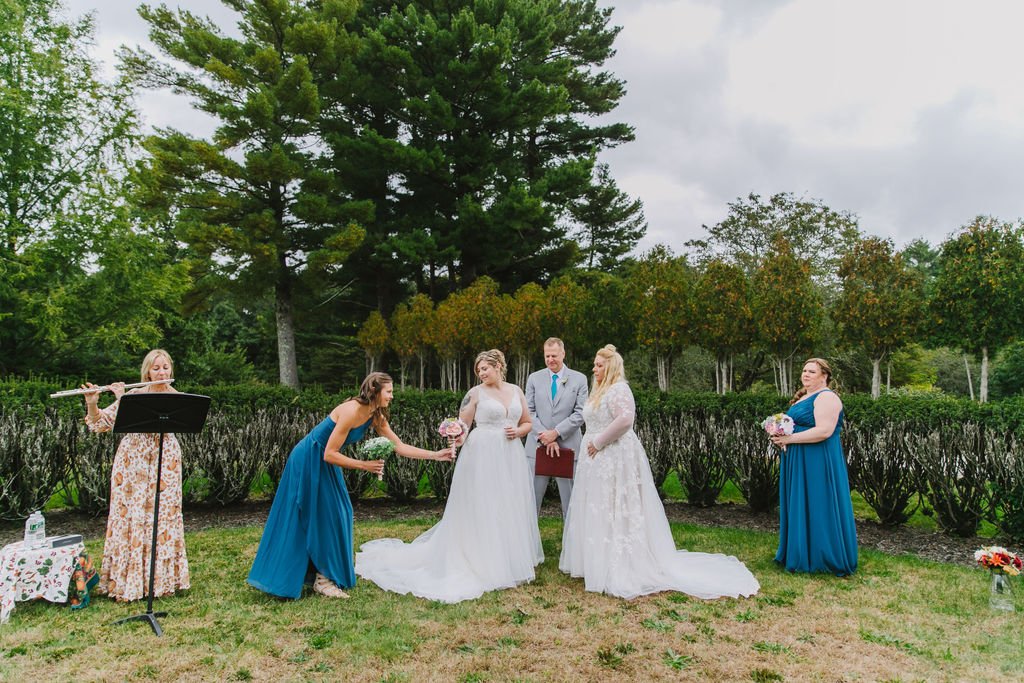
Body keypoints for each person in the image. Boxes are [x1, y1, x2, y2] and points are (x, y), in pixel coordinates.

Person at [560, 345, 760, 600]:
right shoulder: (600, 390)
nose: (594, 368)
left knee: (615, 506)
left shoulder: (620, 389)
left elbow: (625, 420)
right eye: (595, 364)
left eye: (599, 365)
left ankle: (619, 563)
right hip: (595, 459)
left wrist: (598, 443)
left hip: (612, 454)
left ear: (610, 367)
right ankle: (595, 560)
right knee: (598, 505)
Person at [355, 350, 543, 603]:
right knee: (482, 504)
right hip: (482, 453)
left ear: (498, 366)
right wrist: (455, 436)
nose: (481, 373)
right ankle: (481, 558)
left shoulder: (516, 390)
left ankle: (509, 557)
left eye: (484, 369)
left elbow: (528, 422)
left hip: (510, 455)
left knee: (507, 503)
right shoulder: (475, 394)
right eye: (478, 371)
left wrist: (518, 431)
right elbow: (463, 428)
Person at [247, 372, 452, 599]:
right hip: (309, 459)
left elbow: (399, 446)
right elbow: (329, 453)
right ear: (375, 391)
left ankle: (321, 576)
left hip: (326, 463)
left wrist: (436, 455)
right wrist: (365, 465)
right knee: (322, 515)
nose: (392, 396)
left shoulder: (376, 416)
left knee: (340, 513)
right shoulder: (351, 411)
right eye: (389, 391)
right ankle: (320, 579)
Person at [82, 349, 189, 602]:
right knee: (131, 517)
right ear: (147, 371)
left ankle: (161, 582)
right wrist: (93, 402)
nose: (161, 372)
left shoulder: (179, 398)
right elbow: (99, 424)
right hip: (134, 463)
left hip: (166, 462)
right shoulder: (134, 394)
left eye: (165, 367)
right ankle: (128, 581)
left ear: (170, 370)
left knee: (163, 517)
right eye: (156, 368)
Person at [769, 358, 858, 575]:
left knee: (819, 502)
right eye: (804, 370)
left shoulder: (827, 398)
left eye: (811, 371)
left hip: (818, 459)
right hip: (800, 458)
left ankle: (822, 556)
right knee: (802, 502)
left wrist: (789, 440)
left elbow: (824, 431)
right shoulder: (805, 398)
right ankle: (799, 551)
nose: (805, 374)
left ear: (824, 376)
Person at [523, 337, 588, 518]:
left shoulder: (579, 379)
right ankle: (529, 544)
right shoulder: (534, 378)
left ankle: (572, 544)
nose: (550, 360)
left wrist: (556, 433)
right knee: (531, 501)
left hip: (568, 447)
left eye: (554, 356)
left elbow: (580, 413)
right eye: (547, 356)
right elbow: (529, 411)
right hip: (536, 446)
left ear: (563, 354)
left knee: (571, 502)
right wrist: (545, 436)